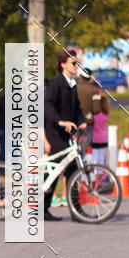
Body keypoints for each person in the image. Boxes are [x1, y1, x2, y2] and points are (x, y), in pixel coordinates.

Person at [44, 50, 87, 221]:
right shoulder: (56, 83)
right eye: (73, 63)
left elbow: (77, 109)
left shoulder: (72, 85)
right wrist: (60, 122)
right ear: (63, 64)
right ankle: (43, 208)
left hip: (67, 134)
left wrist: (81, 121)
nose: (76, 66)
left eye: (77, 63)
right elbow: (47, 105)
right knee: (56, 170)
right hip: (55, 132)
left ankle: (76, 211)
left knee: (72, 171)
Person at [77, 67, 102, 155]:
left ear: (80, 76)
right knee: (85, 149)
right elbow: (96, 110)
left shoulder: (74, 88)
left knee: (74, 146)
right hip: (88, 122)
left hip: (75, 121)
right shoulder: (94, 90)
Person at [91, 79, 110, 165]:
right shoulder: (105, 109)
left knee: (94, 161)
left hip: (94, 138)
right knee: (101, 162)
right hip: (103, 138)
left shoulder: (94, 112)